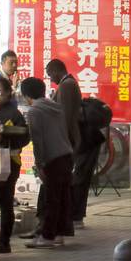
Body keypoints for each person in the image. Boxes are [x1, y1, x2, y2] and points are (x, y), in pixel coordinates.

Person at [18, 77, 74, 249]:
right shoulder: (56, 108)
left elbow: (38, 140)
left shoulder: (35, 111)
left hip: (52, 158)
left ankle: (47, 237)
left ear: (26, 95)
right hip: (66, 155)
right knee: (62, 197)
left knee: (51, 199)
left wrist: (40, 164)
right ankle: (58, 234)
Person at [0, 74, 30, 254]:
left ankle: (4, 242)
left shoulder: (13, 113)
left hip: (7, 164)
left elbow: (25, 136)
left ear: (7, 92)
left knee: (5, 202)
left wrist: (5, 137)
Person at [45, 60, 89, 230]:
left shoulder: (67, 86)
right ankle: (70, 217)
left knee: (66, 181)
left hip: (67, 140)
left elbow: (65, 116)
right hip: (68, 139)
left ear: (56, 71)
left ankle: (71, 217)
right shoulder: (68, 84)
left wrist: (63, 140)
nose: (51, 79)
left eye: (50, 75)